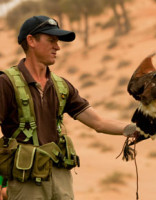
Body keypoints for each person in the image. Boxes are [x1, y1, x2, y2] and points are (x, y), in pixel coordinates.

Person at [0, 15, 136, 200]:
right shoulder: (6, 83)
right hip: (26, 182)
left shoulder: (61, 86)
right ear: (31, 40)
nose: (58, 47)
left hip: (60, 179)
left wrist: (134, 129)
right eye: (51, 40)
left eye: (57, 41)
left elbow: (99, 122)